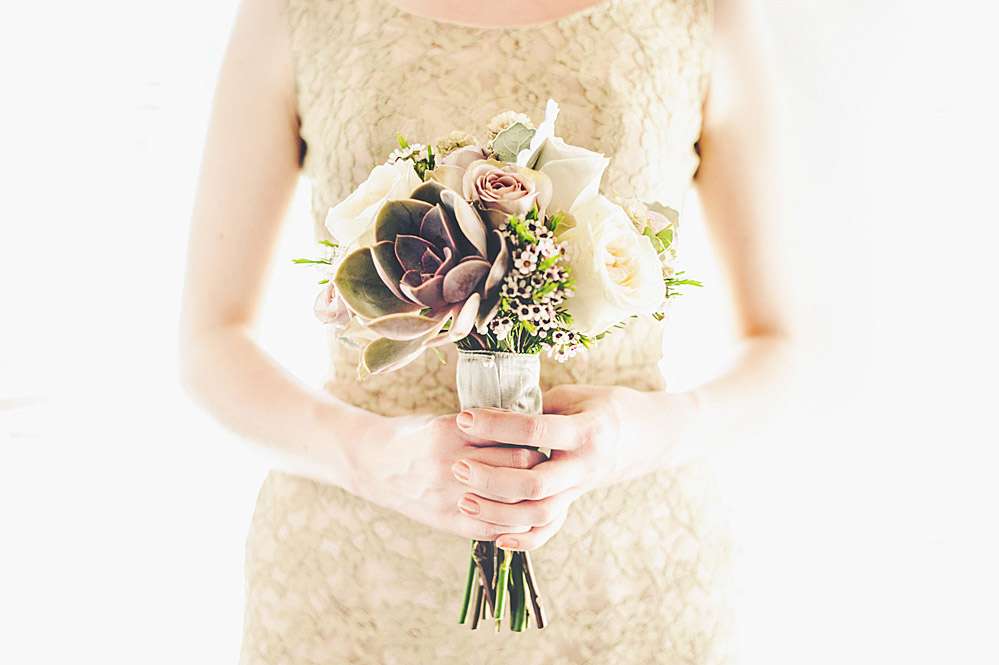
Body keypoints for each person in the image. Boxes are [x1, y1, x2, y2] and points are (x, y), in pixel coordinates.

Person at [180, 0, 796, 662]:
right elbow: (211, 340)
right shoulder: (296, 12)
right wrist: (369, 456)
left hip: (629, 586)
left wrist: (638, 437)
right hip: (354, 584)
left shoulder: (700, 13)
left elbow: (782, 343)